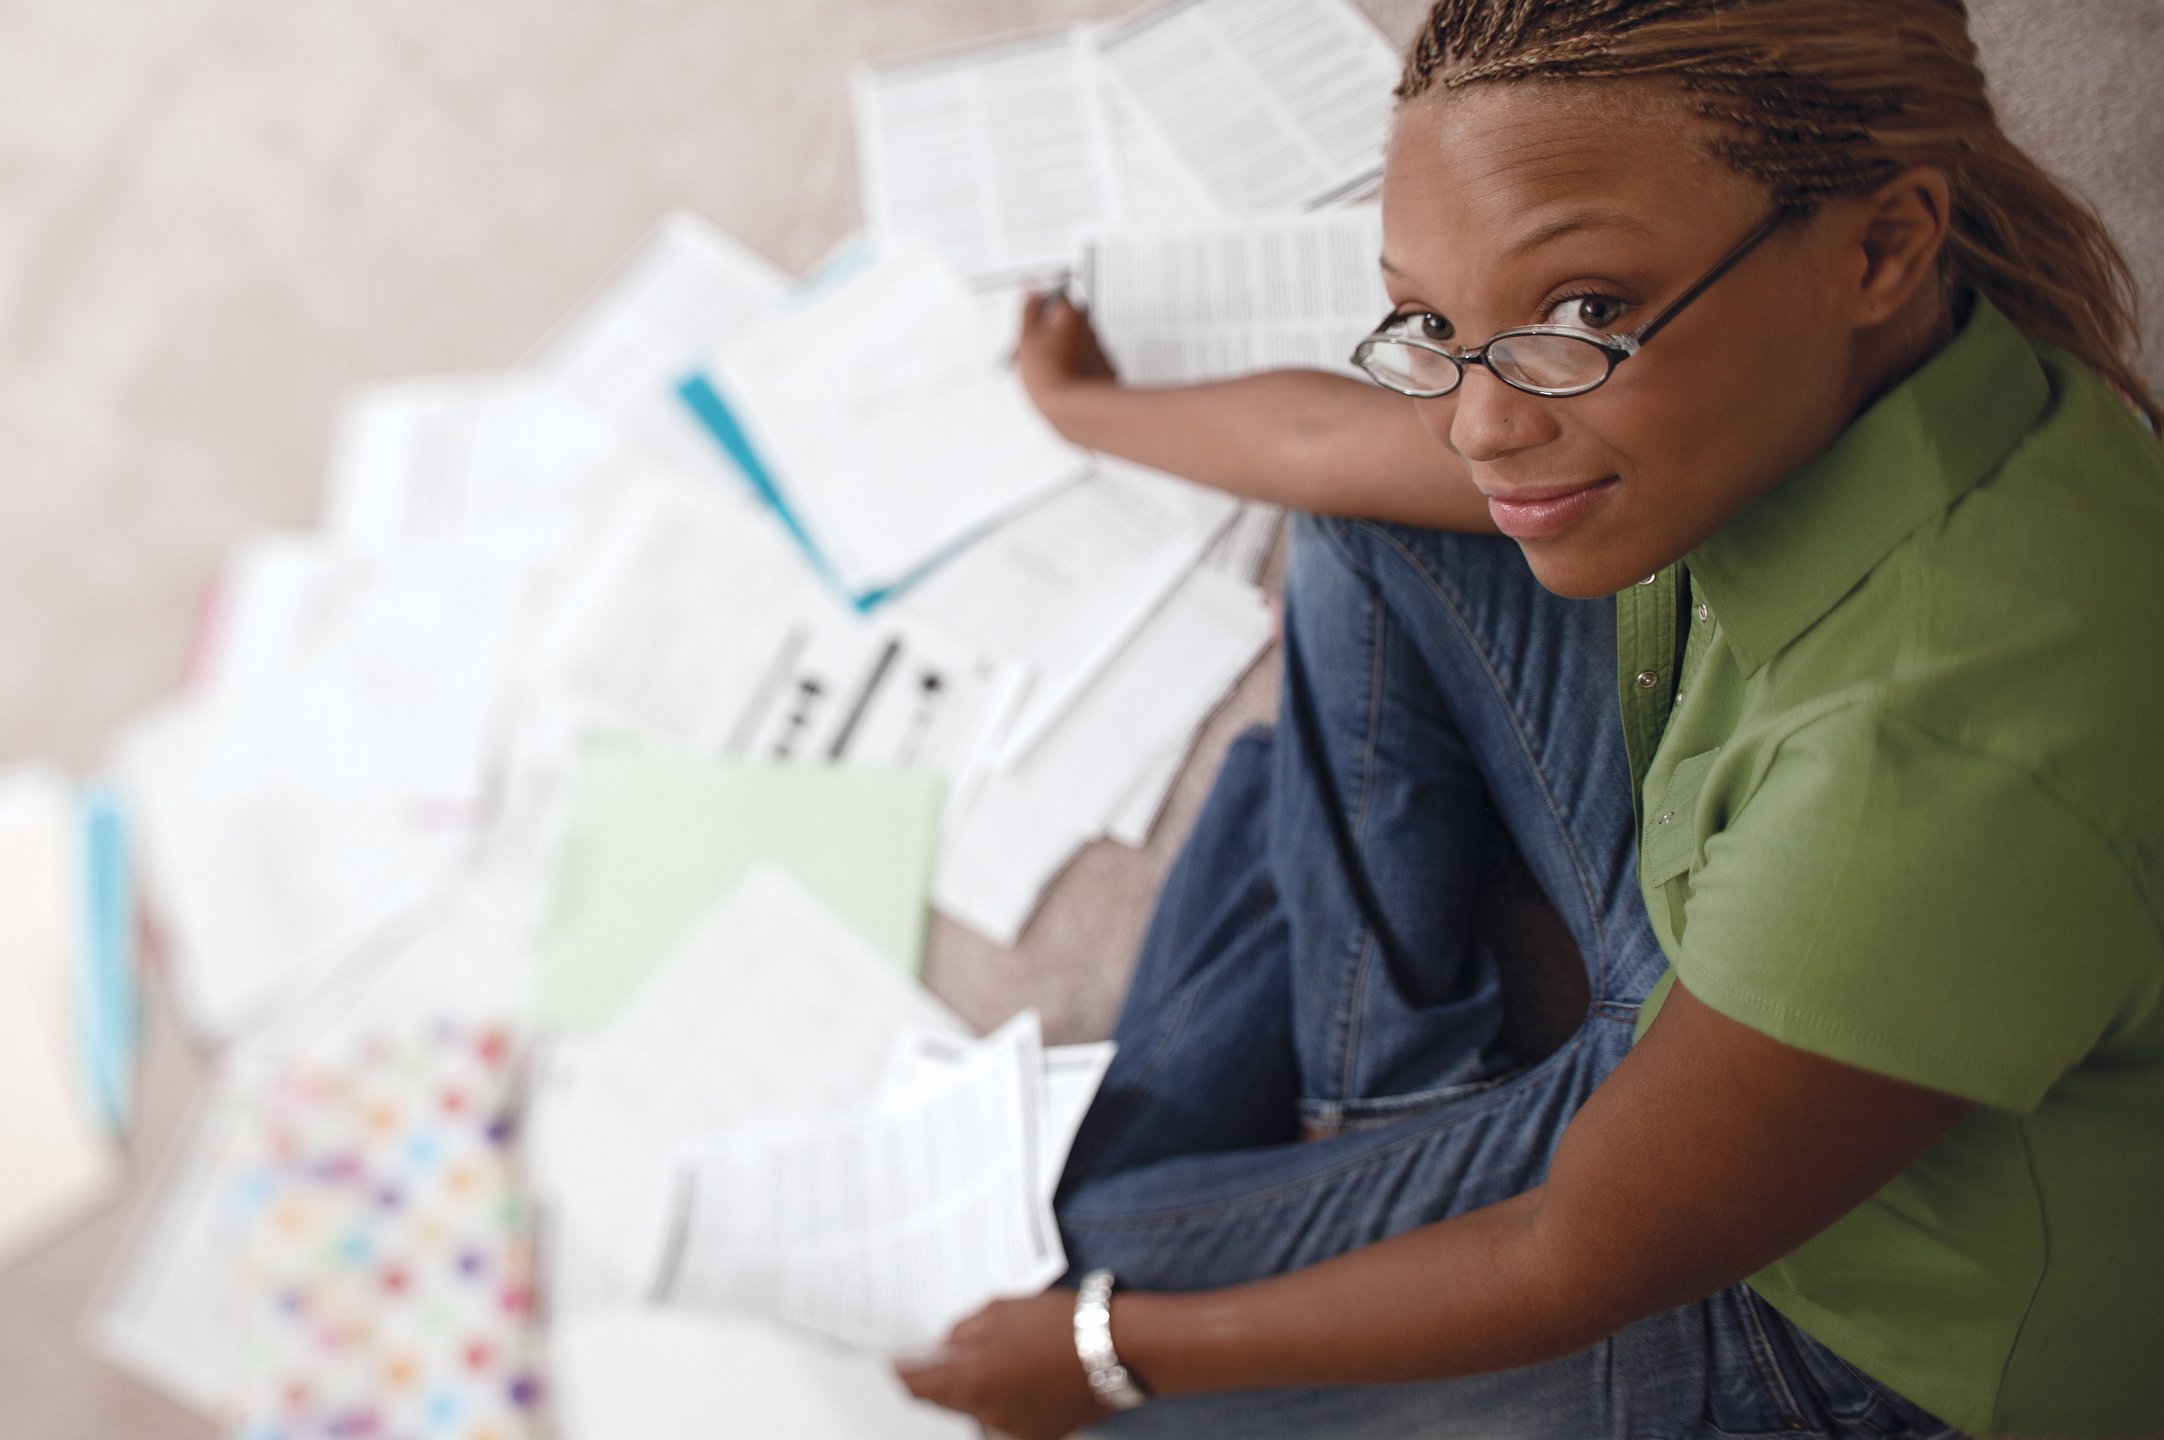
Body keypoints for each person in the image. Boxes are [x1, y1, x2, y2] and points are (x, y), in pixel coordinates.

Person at [896, 2, 2164, 1436]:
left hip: (1830, 1318)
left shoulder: (1934, 772)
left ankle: (1360, 1141)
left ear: (1881, 246)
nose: (1478, 425)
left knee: (1085, 1246)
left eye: (1585, 313)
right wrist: (1084, 410)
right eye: (1434, 324)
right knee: (1373, 525)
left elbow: (1569, 1254)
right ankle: (1387, 1123)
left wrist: (1108, 1353)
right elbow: (1334, 446)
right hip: (1739, 904)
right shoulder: (1874, 377)